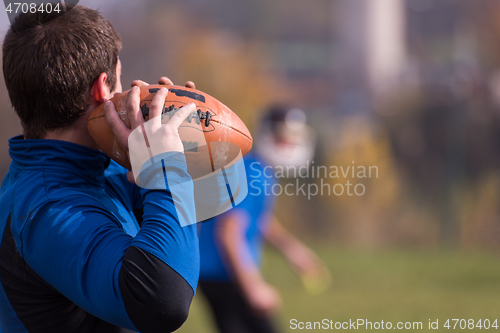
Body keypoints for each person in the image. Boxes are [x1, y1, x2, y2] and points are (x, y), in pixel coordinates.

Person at [0, 5, 200, 333]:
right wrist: (165, 171)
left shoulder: (96, 171)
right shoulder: (47, 207)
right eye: (122, 77)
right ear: (103, 88)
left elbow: (180, 240)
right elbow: (164, 301)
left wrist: (188, 148)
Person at [198, 105, 329, 333]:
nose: (289, 143)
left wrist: (292, 250)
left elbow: (257, 219)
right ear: (267, 133)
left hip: (220, 273)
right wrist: (253, 288)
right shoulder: (253, 173)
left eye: (295, 136)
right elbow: (228, 232)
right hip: (223, 275)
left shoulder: (260, 168)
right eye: (283, 135)